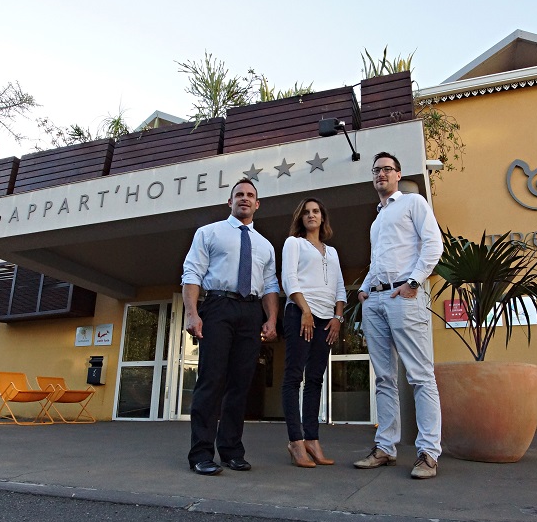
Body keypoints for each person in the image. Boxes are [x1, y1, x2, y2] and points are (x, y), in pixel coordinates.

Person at [353, 151, 444, 479]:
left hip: (404, 298)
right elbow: (381, 261)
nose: (381, 174)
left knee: (420, 376)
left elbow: (434, 246)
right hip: (375, 300)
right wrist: (364, 288)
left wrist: (413, 282)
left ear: (398, 174)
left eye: (387, 169)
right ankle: (385, 448)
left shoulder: (413, 203)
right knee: (384, 378)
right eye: (376, 170)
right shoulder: (378, 219)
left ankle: (429, 453)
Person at [181, 178, 279, 475]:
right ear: (230, 201)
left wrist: (272, 319)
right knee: (211, 381)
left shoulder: (264, 245)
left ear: (257, 203)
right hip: (218, 307)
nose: (245, 199)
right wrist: (191, 313)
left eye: (250, 195)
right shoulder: (208, 232)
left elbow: (271, 284)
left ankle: (232, 451)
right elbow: (192, 273)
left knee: (241, 384)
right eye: (239, 195)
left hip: (251, 312)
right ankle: (201, 454)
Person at [280, 197, 346, 467]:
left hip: (326, 319)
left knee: (316, 378)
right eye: (306, 212)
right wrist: (305, 311)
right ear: (300, 218)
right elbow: (289, 278)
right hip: (299, 313)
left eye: (316, 211)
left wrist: (338, 317)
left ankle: (312, 440)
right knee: (294, 377)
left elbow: (340, 286)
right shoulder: (294, 243)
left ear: (322, 217)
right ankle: (295, 441)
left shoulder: (332, 252)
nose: (311, 215)